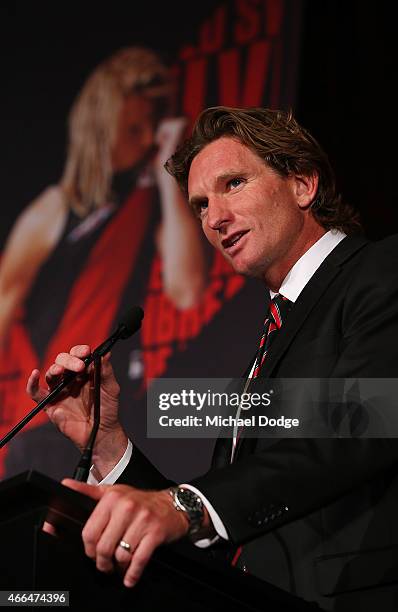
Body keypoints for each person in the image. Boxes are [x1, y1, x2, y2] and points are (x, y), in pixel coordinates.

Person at [27, 106, 398, 611]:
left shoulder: (380, 273)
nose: (215, 218)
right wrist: (108, 443)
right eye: (200, 205)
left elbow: (361, 426)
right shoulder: (274, 335)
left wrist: (183, 505)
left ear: (303, 184)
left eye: (234, 184)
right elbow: (221, 536)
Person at [0, 47, 205, 475]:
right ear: (99, 128)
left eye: (152, 126)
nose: (148, 138)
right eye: (134, 128)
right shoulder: (51, 213)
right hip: (49, 426)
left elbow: (187, 288)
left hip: (116, 423)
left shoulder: (148, 201)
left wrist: (169, 175)